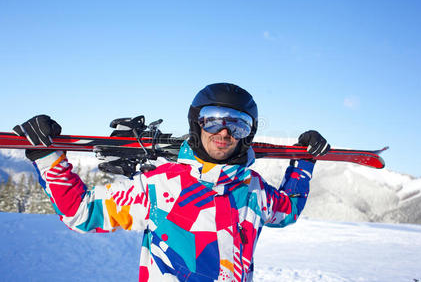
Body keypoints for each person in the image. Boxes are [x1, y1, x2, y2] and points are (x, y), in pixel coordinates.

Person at [14, 83, 330, 282]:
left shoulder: (253, 189)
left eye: (238, 124)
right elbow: (81, 212)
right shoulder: (159, 187)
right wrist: (47, 157)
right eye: (214, 119)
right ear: (197, 122)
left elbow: (287, 210)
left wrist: (304, 163)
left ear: (249, 133)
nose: (224, 132)